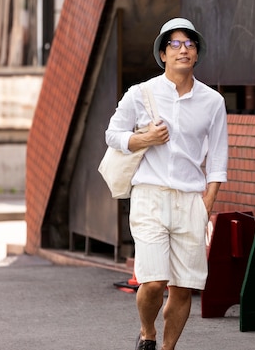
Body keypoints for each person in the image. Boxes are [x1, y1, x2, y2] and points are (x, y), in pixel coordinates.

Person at [105, 18, 228, 350]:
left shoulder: (212, 102)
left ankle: (167, 349)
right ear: (163, 53)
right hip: (149, 196)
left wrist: (207, 203)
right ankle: (147, 333)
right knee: (155, 281)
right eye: (175, 44)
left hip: (191, 200)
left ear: (197, 54)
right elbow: (112, 135)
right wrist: (144, 137)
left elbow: (217, 158)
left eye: (189, 44)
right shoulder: (141, 93)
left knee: (184, 287)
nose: (183, 50)